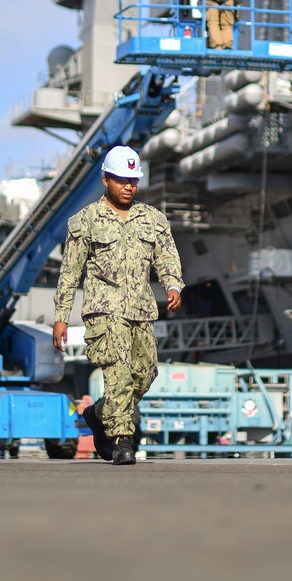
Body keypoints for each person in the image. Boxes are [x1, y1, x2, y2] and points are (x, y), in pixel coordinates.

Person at [52, 145, 183, 467]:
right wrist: (61, 317)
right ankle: (123, 441)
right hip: (104, 309)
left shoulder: (152, 219)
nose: (129, 186)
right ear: (106, 180)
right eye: (122, 180)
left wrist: (173, 283)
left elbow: (167, 257)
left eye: (133, 181)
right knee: (119, 373)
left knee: (145, 372)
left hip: (141, 309)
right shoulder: (84, 222)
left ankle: (98, 414)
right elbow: (70, 273)